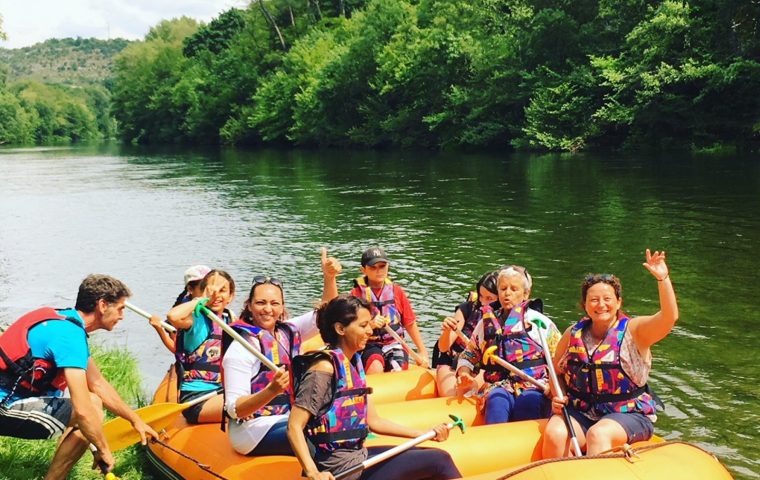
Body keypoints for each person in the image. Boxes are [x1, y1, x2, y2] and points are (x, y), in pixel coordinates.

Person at [287, 295, 462, 480]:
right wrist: (312, 472)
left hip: (358, 456)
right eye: (363, 326)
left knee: (426, 452)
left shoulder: (353, 362)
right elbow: (294, 426)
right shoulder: (324, 368)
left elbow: (375, 422)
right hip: (338, 468)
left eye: (369, 324)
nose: (370, 330)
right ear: (340, 329)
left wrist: (425, 434)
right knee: (439, 460)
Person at [0, 274, 158, 479]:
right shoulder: (70, 336)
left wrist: (135, 420)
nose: (122, 316)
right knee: (90, 409)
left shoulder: (64, 322)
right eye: (120, 308)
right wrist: (104, 450)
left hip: (12, 399)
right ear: (102, 305)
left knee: (91, 403)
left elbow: (98, 383)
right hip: (5, 407)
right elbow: (83, 410)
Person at [542, 249, 677, 458]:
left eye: (607, 298)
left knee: (599, 434)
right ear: (584, 305)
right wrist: (558, 394)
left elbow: (669, 318)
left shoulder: (635, 331)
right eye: (594, 299)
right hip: (583, 411)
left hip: (629, 414)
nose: (601, 304)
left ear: (618, 302)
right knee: (555, 434)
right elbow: (555, 371)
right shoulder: (573, 334)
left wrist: (663, 279)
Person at [222, 248, 342, 456]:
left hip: (289, 417)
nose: (268, 309)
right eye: (260, 303)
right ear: (249, 306)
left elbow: (327, 312)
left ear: (282, 308)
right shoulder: (241, 348)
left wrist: (329, 278)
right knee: (318, 434)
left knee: (336, 422)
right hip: (252, 430)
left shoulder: (288, 330)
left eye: (274, 303)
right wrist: (272, 390)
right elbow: (234, 409)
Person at [456, 265, 560, 424]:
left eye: (514, 289)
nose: (507, 293)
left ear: (526, 294)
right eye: (503, 288)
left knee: (528, 402)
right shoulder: (486, 324)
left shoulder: (537, 322)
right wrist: (464, 372)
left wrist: (555, 388)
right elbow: (470, 354)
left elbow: (559, 358)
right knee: (497, 401)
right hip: (498, 385)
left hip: (535, 385)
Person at [167, 269, 236, 424]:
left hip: (222, 391)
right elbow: (173, 317)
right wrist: (201, 299)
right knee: (247, 405)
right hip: (197, 398)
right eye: (211, 290)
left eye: (222, 290)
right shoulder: (195, 320)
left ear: (231, 296)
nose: (216, 295)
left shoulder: (230, 319)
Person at [350, 247, 429, 374]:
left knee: (398, 368)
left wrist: (422, 351)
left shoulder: (396, 291)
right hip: (369, 344)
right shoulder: (356, 294)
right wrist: (370, 324)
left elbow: (410, 323)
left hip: (393, 343)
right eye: (373, 268)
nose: (378, 271)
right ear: (363, 270)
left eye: (382, 266)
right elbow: (351, 327)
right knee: (375, 366)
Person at [434, 270, 498, 396]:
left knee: (467, 389)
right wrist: (447, 331)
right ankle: (466, 386)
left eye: (489, 298)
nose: (483, 302)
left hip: (482, 368)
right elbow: (443, 347)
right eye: (481, 296)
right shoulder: (467, 309)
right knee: (453, 394)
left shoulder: (503, 318)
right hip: (452, 363)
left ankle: (471, 387)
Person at [151, 265, 211, 354]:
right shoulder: (182, 316)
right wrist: (159, 329)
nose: (209, 292)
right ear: (190, 289)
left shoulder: (224, 313)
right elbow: (176, 349)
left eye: (212, 286)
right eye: (203, 287)